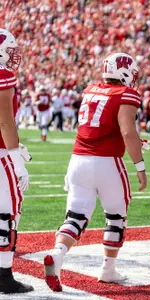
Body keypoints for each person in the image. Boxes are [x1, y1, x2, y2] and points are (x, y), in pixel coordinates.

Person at [43, 53, 147, 292]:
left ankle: (57, 255)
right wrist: (140, 166)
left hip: (78, 160)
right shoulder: (126, 93)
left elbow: (104, 126)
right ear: (124, 73)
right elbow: (128, 132)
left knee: (76, 217)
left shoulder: (91, 89)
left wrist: (130, 139)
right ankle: (108, 269)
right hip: (107, 162)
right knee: (116, 217)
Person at [0, 28, 34, 294]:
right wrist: (14, 157)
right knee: (8, 211)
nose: (14, 56)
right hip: (0, 156)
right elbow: (5, 120)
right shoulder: (3, 75)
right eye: (11, 50)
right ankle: (3, 275)